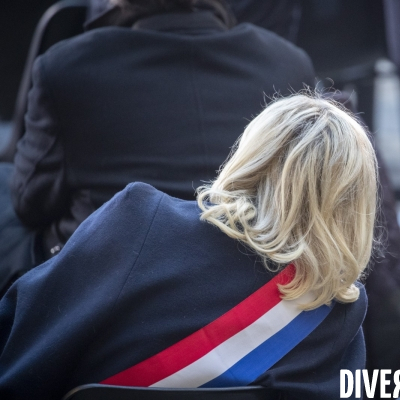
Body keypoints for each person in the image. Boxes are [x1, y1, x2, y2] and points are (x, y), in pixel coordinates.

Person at [0, 93, 378, 400]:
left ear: (251, 155)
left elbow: (23, 348)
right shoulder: (336, 309)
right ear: (356, 206)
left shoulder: (142, 220)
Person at [3, 0, 314, 292]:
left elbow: (30, 202)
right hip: (250, 287)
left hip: (106, 295)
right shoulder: (290, 64)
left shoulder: (65, 68)